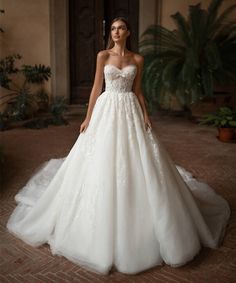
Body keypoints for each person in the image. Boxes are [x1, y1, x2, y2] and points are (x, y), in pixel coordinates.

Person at [7, 17, 230, 275]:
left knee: (138, 159)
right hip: (107, 109)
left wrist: (146, 115)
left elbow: (138, 91)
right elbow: (95, 88)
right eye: (112, 29)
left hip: (130, 111)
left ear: (128, 32)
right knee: (101, 160)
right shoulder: (103, 55)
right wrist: (88, 117)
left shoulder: (138, 59)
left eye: (120, 28)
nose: (116, 32)